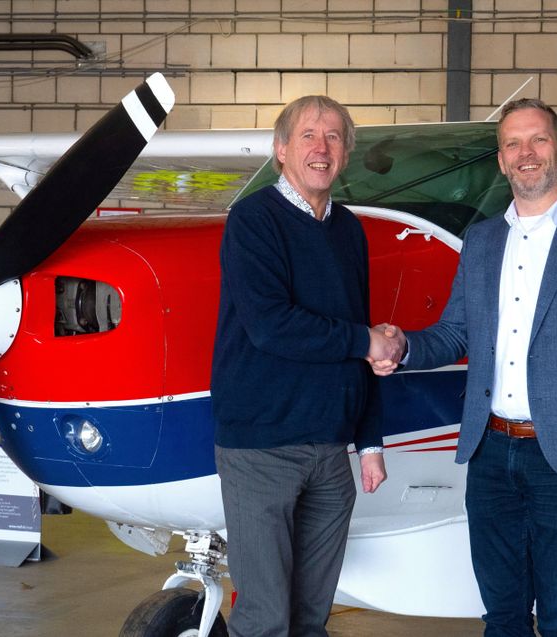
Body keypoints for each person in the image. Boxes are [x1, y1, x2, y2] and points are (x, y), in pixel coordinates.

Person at [370, 98, 557, 636]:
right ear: (500, 161)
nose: (526, 153)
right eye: (513, 144)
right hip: (491, 452)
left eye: (538, 140)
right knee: (501, 615)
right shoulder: (482, 241)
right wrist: (403, 347)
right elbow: (457, 333)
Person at [211, 95, 400, 637]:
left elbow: (358, 336)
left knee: (310, 619)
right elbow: (271, 325)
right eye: (309, 136)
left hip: (330, 453)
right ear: (281, 151)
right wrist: (365, 341)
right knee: (264, 618)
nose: (322, 147)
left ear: (345, 153)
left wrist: (369, 441)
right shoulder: (253, 220)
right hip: (261, 450)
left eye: (335, 136)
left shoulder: (348, 230)